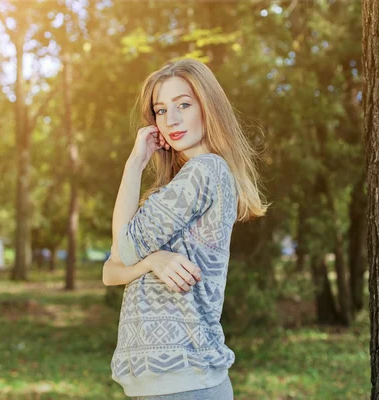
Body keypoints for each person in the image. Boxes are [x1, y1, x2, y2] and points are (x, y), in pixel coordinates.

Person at [103, 58, 268, 400]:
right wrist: (151, 262)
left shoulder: (205, 171)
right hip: (168, 384)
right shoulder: (180, 184)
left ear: (208, 107)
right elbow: (109, 272)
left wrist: (135, 163)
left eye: (183, 104)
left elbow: (121, 252)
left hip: (185, 382)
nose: (171, 120)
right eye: (161, 110)